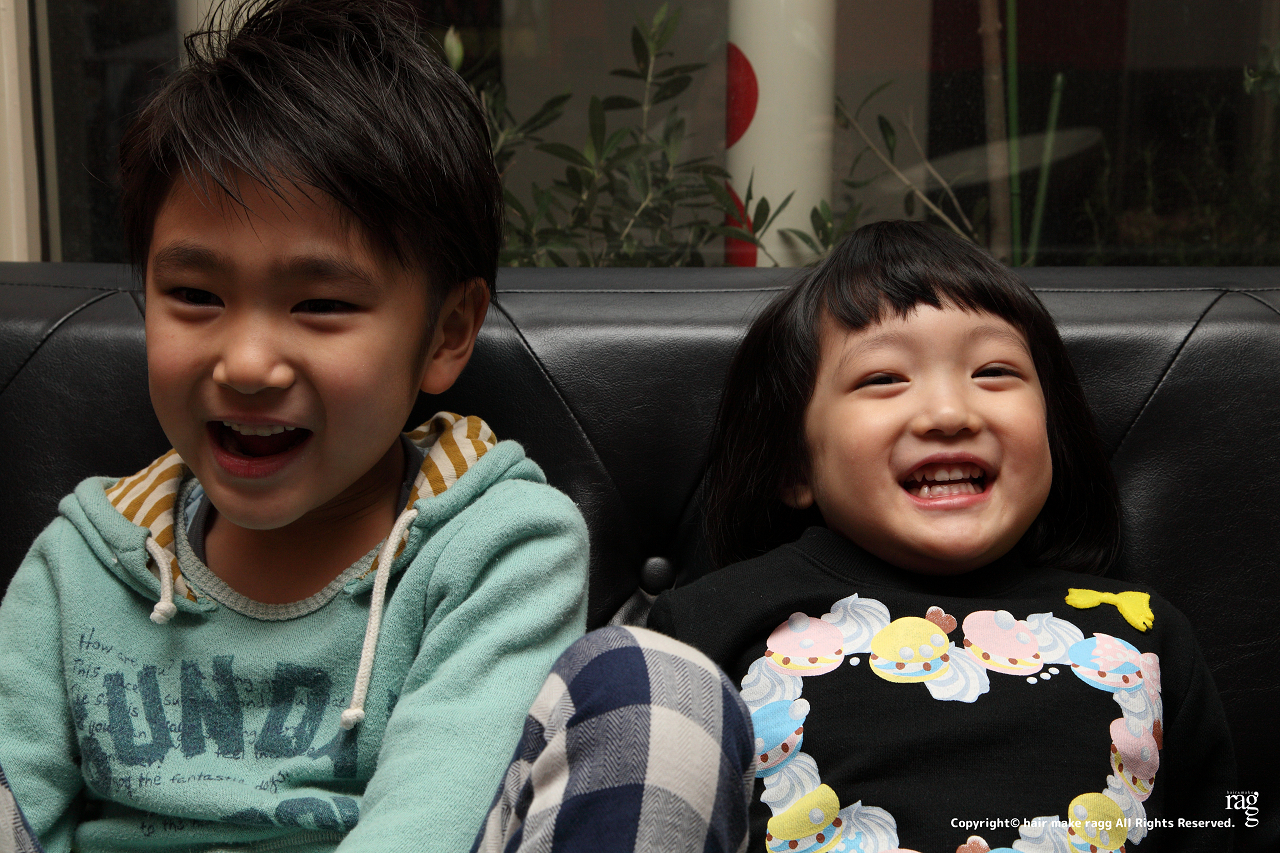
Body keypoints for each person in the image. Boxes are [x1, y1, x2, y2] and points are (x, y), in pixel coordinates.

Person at [0, 3, 754, 852]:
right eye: (195, 296)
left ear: (446, 333)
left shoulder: (496, 547)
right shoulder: (76, 565)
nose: (246, 363)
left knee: (664, 691)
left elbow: (434, 822)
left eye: (321, 304)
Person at [648, 221, 1237, 853]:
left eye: (993, 372)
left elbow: (1224, 824)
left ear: (1052, 435)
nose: (950, 414)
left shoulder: (1145, 635)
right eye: (883, 378)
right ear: (794, 464)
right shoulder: (708, 625)